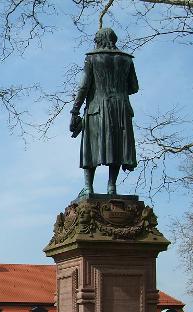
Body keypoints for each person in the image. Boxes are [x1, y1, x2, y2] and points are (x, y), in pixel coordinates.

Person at [70, 27, 138, 196]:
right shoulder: (126, 60)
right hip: (121, 109)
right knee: (117, 147)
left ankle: (88, 187)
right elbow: (134, 87)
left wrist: (75, 111)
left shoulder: (92, 58)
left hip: (97, 108)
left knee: (90, 148)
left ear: (99, 40)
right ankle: (111, 186)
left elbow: (84, 85)